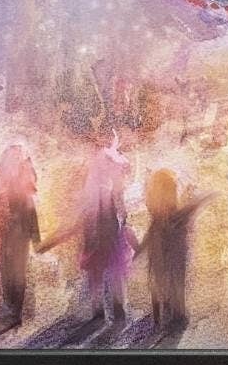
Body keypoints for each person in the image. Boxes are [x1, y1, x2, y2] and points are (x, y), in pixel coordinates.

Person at [39, 138, 137, 322]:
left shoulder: (107, 193)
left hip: (105, 240)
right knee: (108, 278)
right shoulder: (103, 194)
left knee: (103, 279)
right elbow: (78, 223)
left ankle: (106, 312)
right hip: (103, 240)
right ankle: (111, 312)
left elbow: (120, 218)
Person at [134, 169, 214, 334]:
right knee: (174, 281)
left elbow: (153, 229)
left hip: (161, 249)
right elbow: (191, 208)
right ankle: (174, 317)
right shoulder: (172, 211)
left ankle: (161, 319)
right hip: (172, 250)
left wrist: (141, 248)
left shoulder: (158, 209)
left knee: (160, 281)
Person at [0, 143, 40, 322]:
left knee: (15, 269)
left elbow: (29, 207)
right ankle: (12, 308)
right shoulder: (14, 178)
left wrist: (35, 236)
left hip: (17, 230)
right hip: (13, 230)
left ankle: (15, 310)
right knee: (10, 268)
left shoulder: (23, 173)